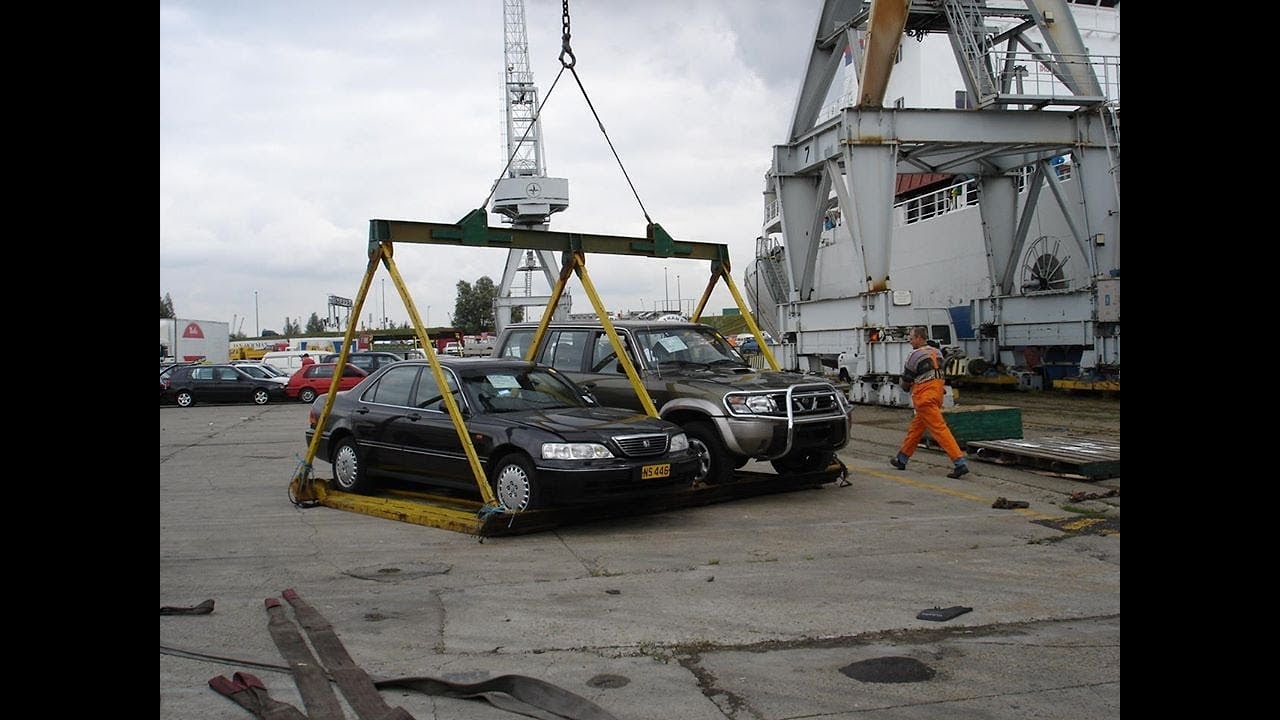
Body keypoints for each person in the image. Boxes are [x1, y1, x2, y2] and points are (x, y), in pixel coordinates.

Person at [890, 326, 970, 479]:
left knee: (940, 430)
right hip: (936, 395)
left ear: (920, 338)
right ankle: (902, 458)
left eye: (911, 338)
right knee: (916, 429)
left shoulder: (914, 356)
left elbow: (906, 381)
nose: (909, 340)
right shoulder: (936, 352)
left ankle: (960, 463)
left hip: (924, 398)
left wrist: (904, 385)